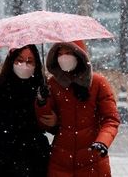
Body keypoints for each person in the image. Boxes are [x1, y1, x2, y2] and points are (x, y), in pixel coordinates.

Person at [35, 41, 120, 177]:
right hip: (60, 162)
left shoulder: (98, 83)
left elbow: (111, 119)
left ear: (79, 56)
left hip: (93, 162)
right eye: (60, 54)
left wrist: (102, 142)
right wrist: (41, 102)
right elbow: (44, 123)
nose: (64, 57)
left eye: (68, 53)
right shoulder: (53, 84)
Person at [0, 44, 50, 177]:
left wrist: (43, 101)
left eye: (30, 61)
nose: (24, 64)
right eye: (19, 59)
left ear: (36, 64)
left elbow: (49, 122)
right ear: (11, 60)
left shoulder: (41, 88)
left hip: (33, 161)